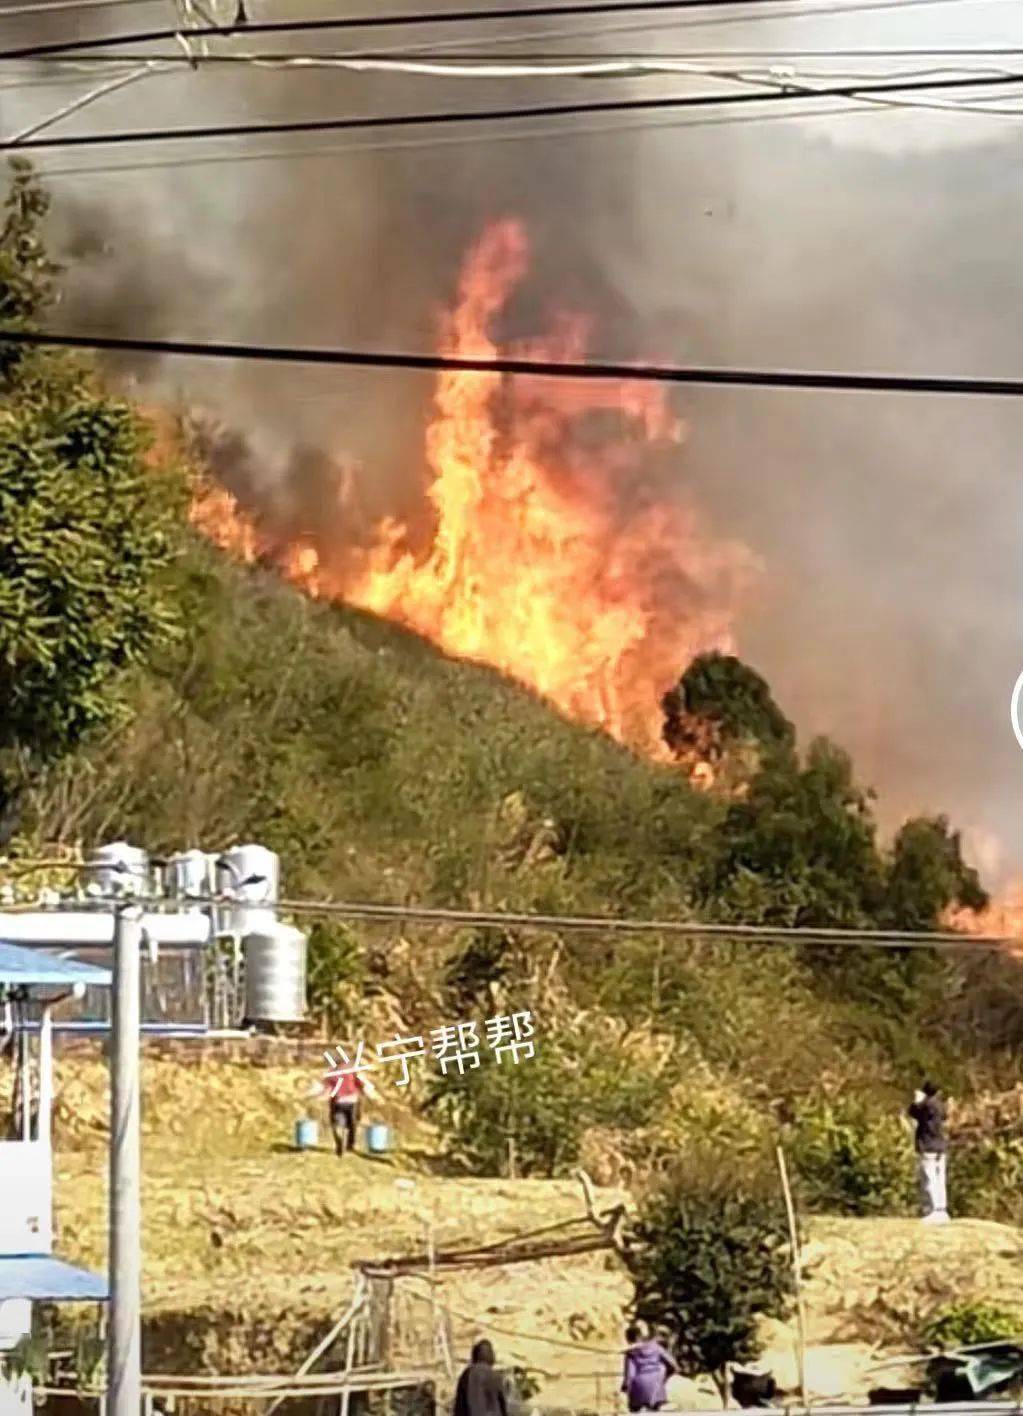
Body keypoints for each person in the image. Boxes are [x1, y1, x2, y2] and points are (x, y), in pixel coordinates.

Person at [309, 1054, 379, 1159]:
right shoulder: (352, 1071)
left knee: (336, 1124)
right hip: (352, 1100)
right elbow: (362, 1084)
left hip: (337, 1101)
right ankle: (350, 1145)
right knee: (353, 1124)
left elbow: (323, 1087)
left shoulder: (331, 1072)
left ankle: (339, 1143)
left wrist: (315, 1095)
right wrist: (372, 1096)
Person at [908, 1079, 949, 1223]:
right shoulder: (941, 1106)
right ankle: (941, 1209)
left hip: (928, 1145)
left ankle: (932, 1210)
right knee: (940, 1178)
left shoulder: (926, 1105)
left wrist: (917, 1100)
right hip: (940, 1145)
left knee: (929, 1178)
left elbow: (912, 1112)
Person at [621, 1323, 677, 1413]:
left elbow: (630, 1375)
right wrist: (664, 1379)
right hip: (657, 1389)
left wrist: (625, 1387)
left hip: (638, 1389)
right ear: (641, 1336)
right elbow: (674, 1366)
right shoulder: (656, 1348)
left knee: (635, 1409)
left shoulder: (631, 1353)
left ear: (628, 1339)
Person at [453, 1340, 508, 1416]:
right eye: (491, 1352)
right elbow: (502, 1405)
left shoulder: (466, 1374)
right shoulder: (494, 1375)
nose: (493, 1355)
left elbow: (459, 1405)